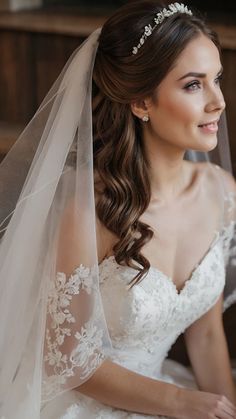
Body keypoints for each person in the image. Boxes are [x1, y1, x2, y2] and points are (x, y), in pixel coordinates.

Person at [0, 1, 236, 418]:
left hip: (169, 393)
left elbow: (207, 336)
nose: (218, 102)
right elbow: (69, 360)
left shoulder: (221, 193)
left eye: (216, 79)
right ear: (142, 102)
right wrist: (180, 402)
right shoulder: (89, 210)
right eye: (193, 85)